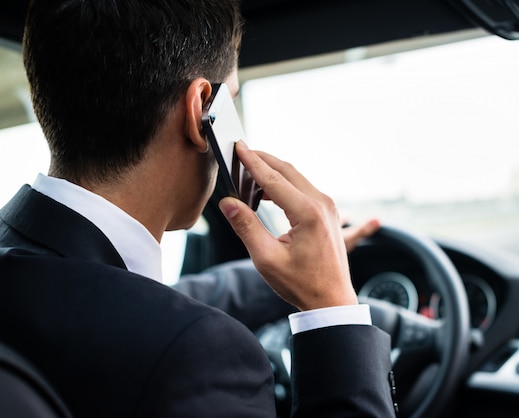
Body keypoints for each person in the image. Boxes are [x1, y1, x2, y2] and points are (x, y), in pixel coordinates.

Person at [0, 0, 396, 417]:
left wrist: (287, 277)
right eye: (233, 101)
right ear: (200, 108)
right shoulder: (198, 353)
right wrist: (334, 308)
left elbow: (160, 297)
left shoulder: (29, 269)